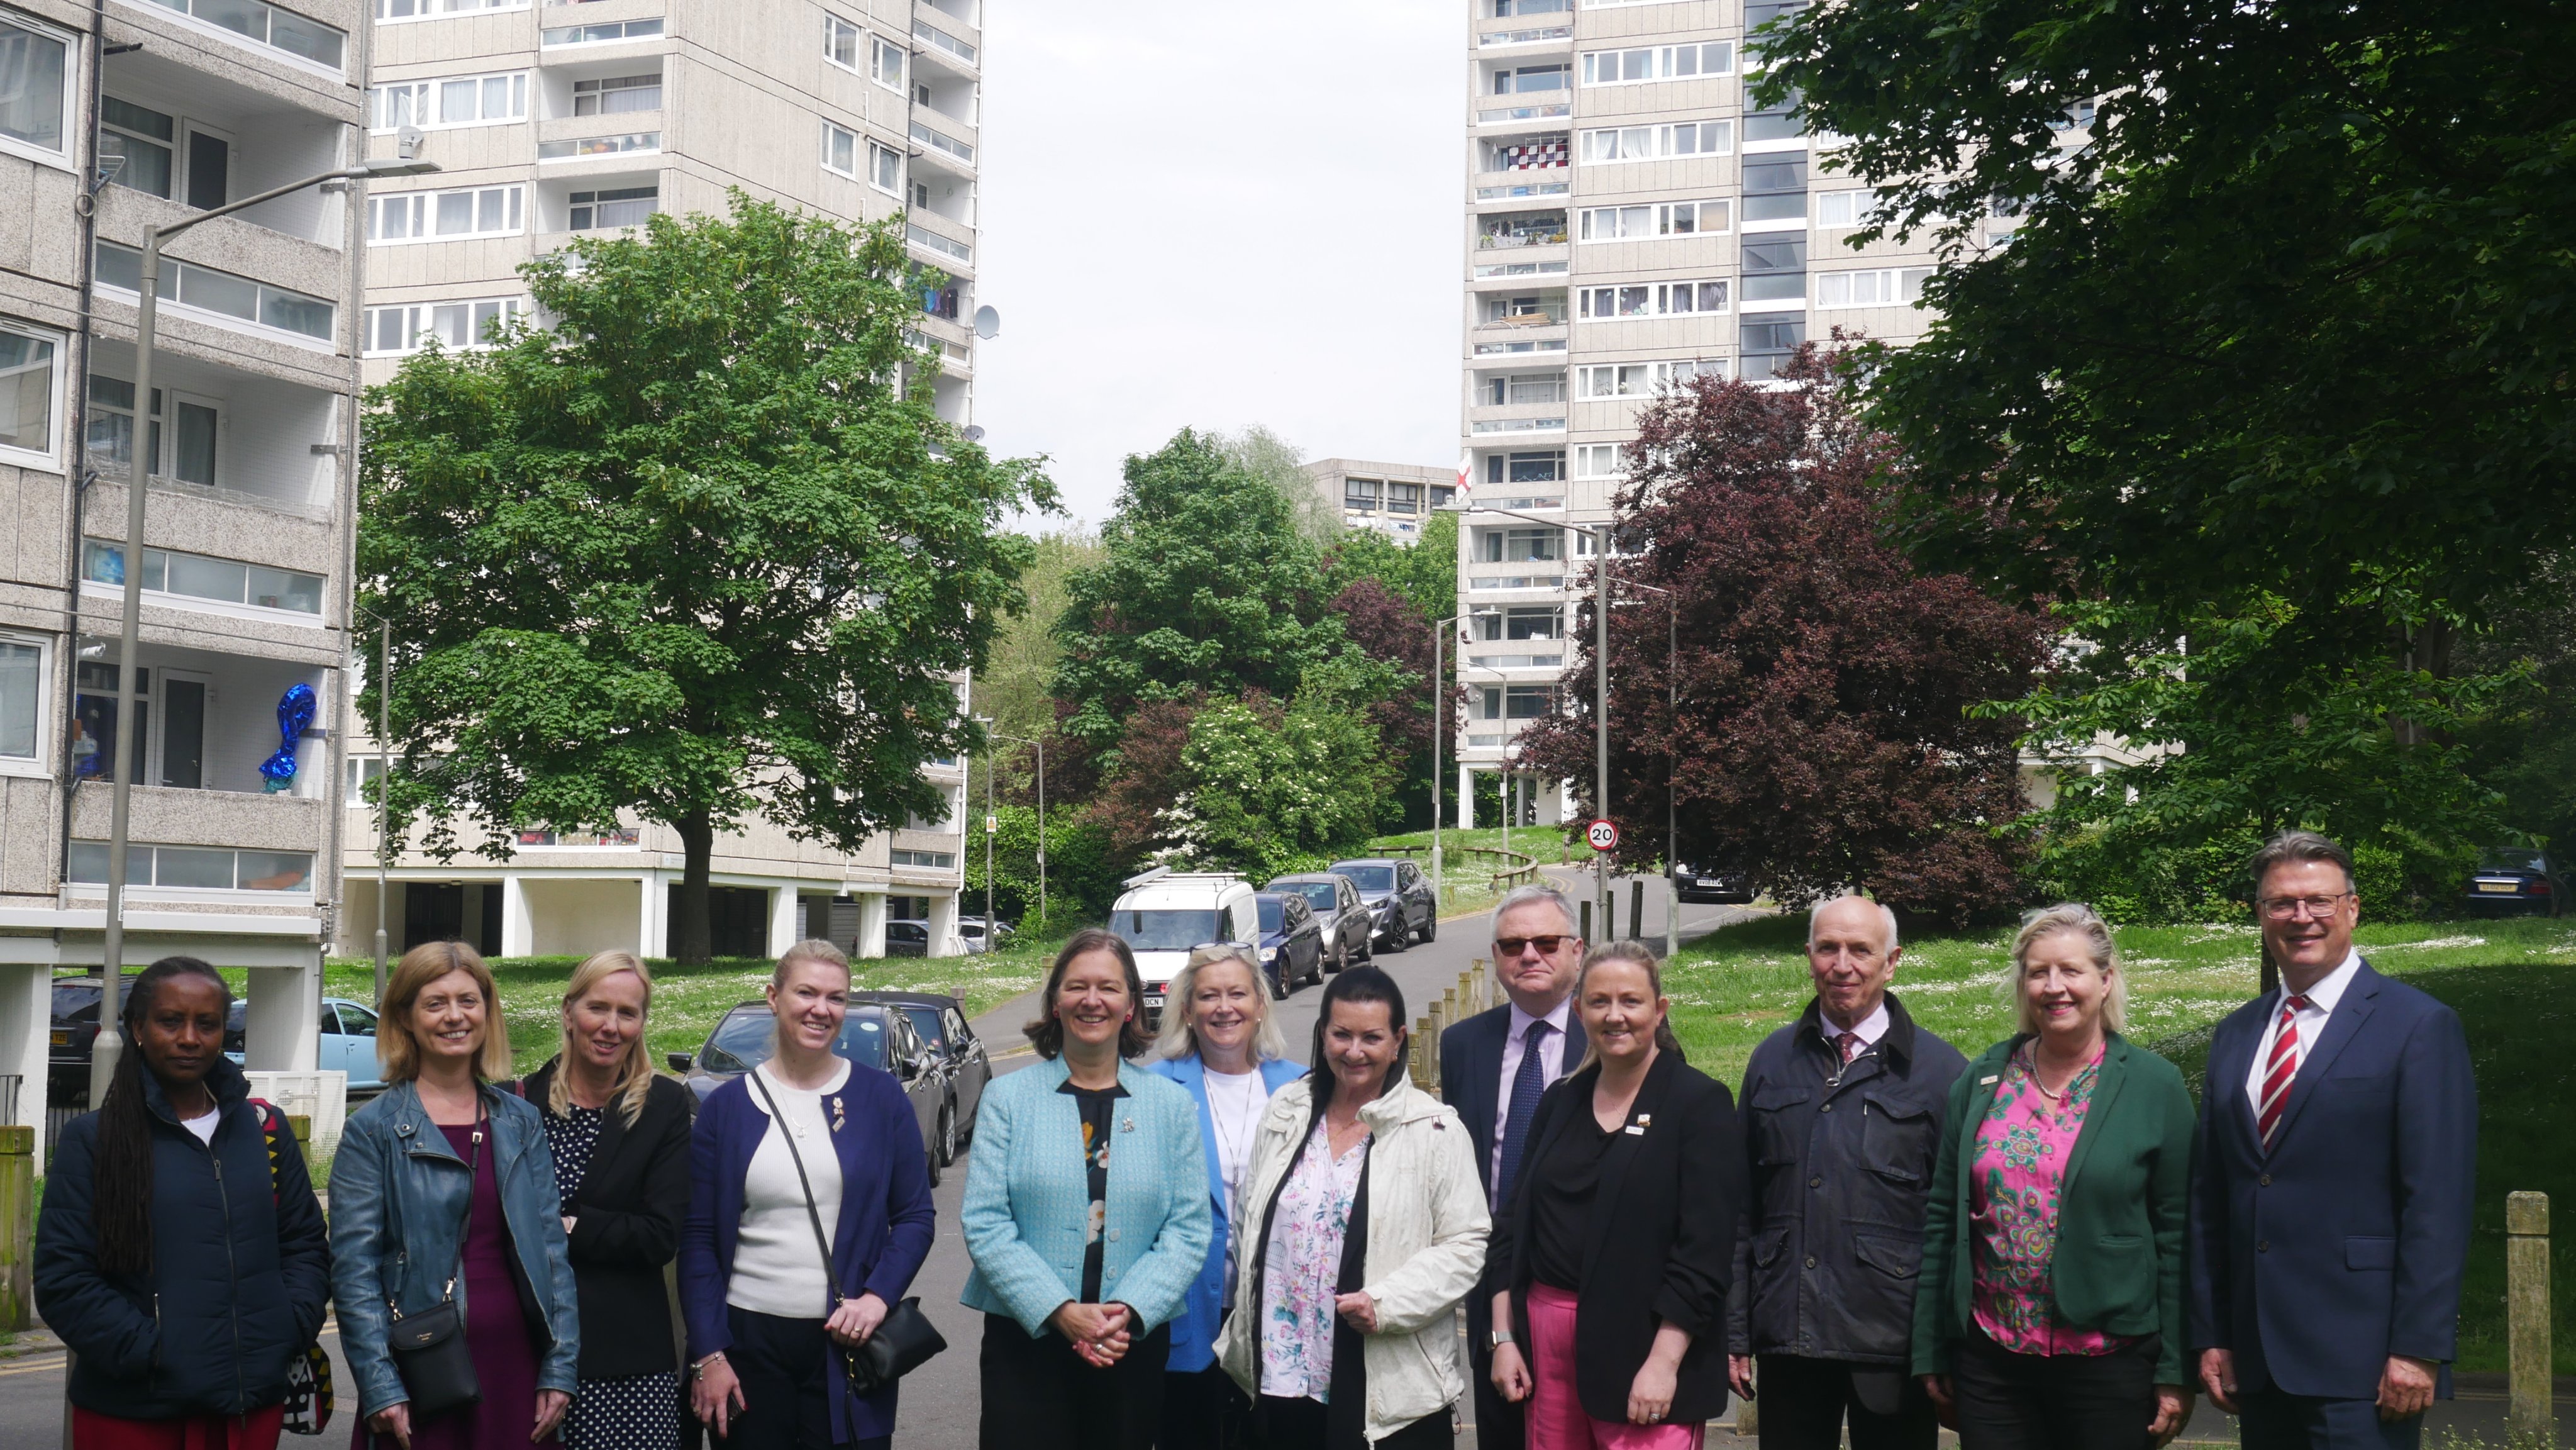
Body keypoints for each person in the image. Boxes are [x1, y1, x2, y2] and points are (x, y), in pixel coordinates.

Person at [2188, 832, 2477, 1450]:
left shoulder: (2418, 1026)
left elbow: (2436, 1200)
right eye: (2280, 903)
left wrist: (2418, 1347)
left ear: (2352, 908)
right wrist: (2212, 1332)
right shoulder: (2237, 1033)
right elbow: (2210, 1194)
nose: (2300, 918)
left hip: (2365, 1362)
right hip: (2259, 1358)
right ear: (2259, 915)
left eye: (2317, 900)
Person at [1912, 905, 2198, 1450]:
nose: (2054, 987)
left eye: (2071, 970)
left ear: (2105, 978)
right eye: (2039, 971)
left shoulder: (2154, 1085)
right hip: (1992, 1361)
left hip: (2108, 1360)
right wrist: (1932, 1347)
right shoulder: (1982, 1080)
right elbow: (1942, 1221)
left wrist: (2175, 1368)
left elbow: (2179, 1236)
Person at [35, 956, 332, 1450]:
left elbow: (304, 1245)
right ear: (137, 1027)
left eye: (207, 1023)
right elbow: (64, 1279)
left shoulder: (266, 1131)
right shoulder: (94, 1140)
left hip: (247, 1406)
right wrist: (155, 1352)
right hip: (136, 1412)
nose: (190, 1037)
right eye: (171, 1021)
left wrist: (287, 1326)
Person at [1726, 895, 1968, 1450]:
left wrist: (1945, 1346)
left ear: (1892, 960)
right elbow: (1742, 1207)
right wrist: (1736, 1331)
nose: (1843, 964)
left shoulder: (1939, 1072)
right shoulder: (1771, 1061)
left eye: (1861, 949)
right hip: (1790, 1336)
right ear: (1808, 954)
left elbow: (1955, 1225)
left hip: (1894, 1343)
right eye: (1828, 948)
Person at [1218, 966, 1491, 1450]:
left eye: (1372, 1037)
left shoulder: (1435, 1129)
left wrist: (1387, 1303)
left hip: (1386, 1386)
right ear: (1323, 1033)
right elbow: (1249, 1224)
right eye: (1341, 1034)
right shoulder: (1286, 1110)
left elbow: (1466, 1244)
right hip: (1282, 1371)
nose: (1354, 1050)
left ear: (1397, 1039)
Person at [1487, 942, 1746, 1449]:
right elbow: (1513, 1226)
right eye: (1600, 1001)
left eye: (1631, 1001)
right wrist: (1504, 1337)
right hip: (1547, 1346)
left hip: (1644, 1344)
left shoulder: (1699, 1103)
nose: (1615, 1015)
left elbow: (1706, 1251)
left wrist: (1663, 1362)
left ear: (1660, 1009)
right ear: (1580, 1009)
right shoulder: (1560, 1100)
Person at [960, 929, 1211, 1450]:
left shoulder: (1169, 1105)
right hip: (1026, 1342)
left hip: (1127, 1341)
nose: (1091, 1000)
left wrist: (1128, 1309)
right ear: (1055, 1002)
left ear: (1130, 1006)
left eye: (1109, 987)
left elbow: (1189, 1227)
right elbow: (985, 1221)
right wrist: (1061, 1310)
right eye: (1076, 986)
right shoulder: (1008, 1098)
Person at [680, 940, 937, 1450]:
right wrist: (709, 1353)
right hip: (748, 1343)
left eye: (836, 998)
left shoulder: (881, 1098)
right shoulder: (727, 1108)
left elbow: (914, 1215)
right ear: (774, 997)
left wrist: (878, 1297)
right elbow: (699, 1238)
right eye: (806, 993)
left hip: (847, 1341)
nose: (822, 1009)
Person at [333, 940, 580, 1449]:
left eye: (468, 1000)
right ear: (405, 1016)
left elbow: (553, 1254)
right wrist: (380, 1385)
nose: (455, 1016)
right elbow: (354, 1271)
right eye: (435, 1002)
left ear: (487, 1010)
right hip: (424, 1368)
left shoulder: (521, 1121)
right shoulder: (373, 1131)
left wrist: (560, 1367)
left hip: (516, 1365)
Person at [520, 952, 696, 1450]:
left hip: (629, 1362)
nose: (611, 1026)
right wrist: (604, 1227)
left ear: (642, 1023)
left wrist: (567, 1226)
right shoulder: (520, 1103)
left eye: (628, 1012)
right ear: (568, 1011)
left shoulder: (663, 1105)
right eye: (598, 1007)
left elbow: (659, 1234)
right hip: (532, 1352)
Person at [1442, 883, 1591, 1448]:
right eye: (1512, 945)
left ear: (1578, 951)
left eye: (1546, 941)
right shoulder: (1463, 1045)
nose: (1529, 954)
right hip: (1493, 1283)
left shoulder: (1617, 1036)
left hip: (1587, 1287)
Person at [1146, 944, 1306, 1450]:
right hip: (1188, 1312)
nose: (1224, 1007)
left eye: (1237, 993)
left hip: (1277, 1311)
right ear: (1188, 1010)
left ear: (1260, 1004)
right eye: (1209, 996)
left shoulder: (1301, 1085)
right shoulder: (1155, 1089)